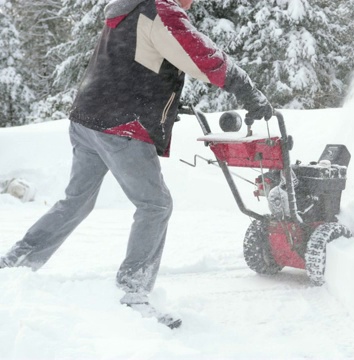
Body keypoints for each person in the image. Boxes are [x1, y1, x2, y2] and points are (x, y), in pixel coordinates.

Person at [0, 0, 272, 308]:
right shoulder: (161, 10)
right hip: (120, 126)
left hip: (87, 119)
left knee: (75, 201)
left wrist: (160, 103)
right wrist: (248, 91)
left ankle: (16, 261)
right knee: (155, 205)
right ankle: (132, 290)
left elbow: (133, 63)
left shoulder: (127, 8)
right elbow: (204, 58)